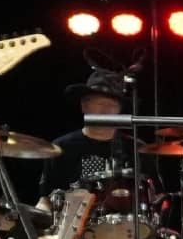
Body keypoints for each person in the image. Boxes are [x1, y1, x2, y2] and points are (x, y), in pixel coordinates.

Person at [36, 68, 134, 200]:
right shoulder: (61, 147)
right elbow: (46, 200)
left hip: (127, 218)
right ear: (84, 105)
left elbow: (154, 196)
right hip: (74, 218)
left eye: (112, 105)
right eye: (100, 103)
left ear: (120, 110)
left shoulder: (135, 148)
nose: (105, 110)